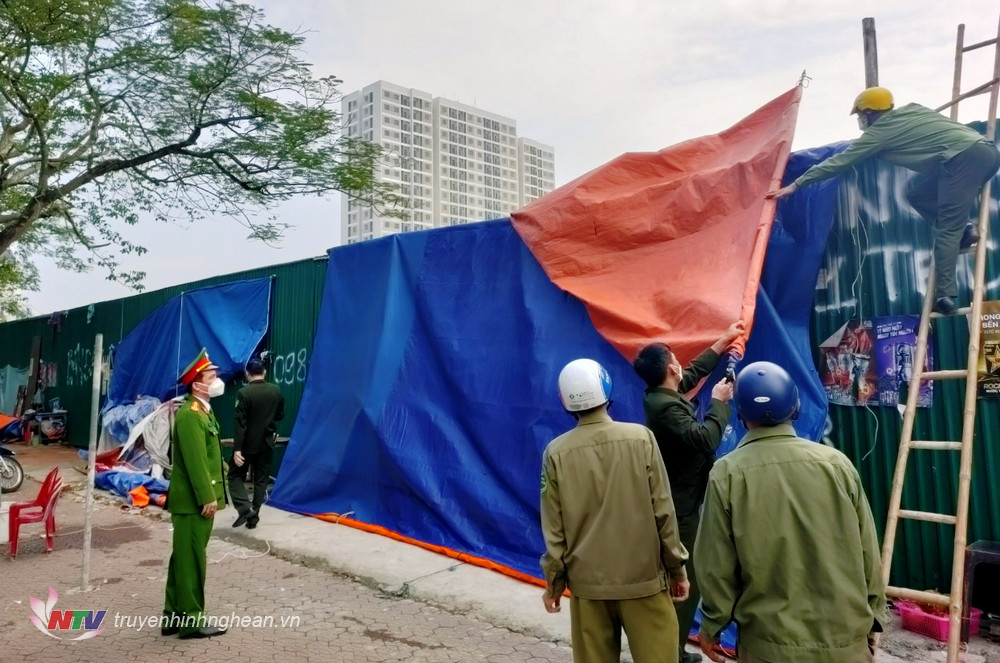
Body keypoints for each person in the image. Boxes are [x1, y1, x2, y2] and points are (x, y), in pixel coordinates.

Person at [694, 361, 886, 663]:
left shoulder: (727, 473)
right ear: (795, 408)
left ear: (741, 414)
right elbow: (868, 552)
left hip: (769, 646)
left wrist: (712, 625)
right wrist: (874, 614)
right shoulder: (837, 465)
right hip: (846, 642)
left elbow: (715, 565)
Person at [767, 86, 1000, 316]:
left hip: (961, 161)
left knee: (947, 230)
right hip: (984, 152)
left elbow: (839, 161)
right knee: (918, 196)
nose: (860, 120)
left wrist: (795, 185)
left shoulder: (878, 133)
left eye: (861, 115)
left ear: (869, 114)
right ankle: (965, 229)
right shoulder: (914, 110)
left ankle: (945, 296)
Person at [540, 358, 690, 663]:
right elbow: (663, 512)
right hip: (644, 582)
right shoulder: (641, 439)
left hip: (588, 588)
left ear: (565, 400)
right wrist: (677, 568)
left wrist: (554, 584)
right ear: (607, 389)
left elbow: (554, 530)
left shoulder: (556, 453)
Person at [632, 321, 743, 663]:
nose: (682, 365)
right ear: (670, 369)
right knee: (685, 582)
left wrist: (723, 341)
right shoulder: (665, 408)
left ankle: (669, 649)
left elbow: (692, 373)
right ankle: (673, 654)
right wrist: (719, 403)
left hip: (683, 501)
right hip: (679, 511)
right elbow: (705, 439)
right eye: (676, 360)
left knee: (680, 581)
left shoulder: (662, 394)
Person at [162, 348, 229, 639]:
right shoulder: (191, 415)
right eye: (211, 377)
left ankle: (172, 616)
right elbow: (194, 460)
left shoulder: (202, 412)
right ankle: (191, 621)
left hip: (192, 501)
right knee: (191, 561)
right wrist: (207, 496)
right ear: (197, 384)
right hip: (193, 502)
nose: (217, 381)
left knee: (183, 558)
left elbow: (207, 455)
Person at [229, 358, 285, 529]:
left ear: (247, 374)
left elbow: (241, 424)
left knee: (234, 475)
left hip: (247, 445)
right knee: (261, 481)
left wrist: (237, 449)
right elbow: (280, 415)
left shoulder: (244, 393)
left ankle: (245, 508)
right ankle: (253, 518)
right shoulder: (276, 390)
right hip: (267, 443)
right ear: (264, 372)